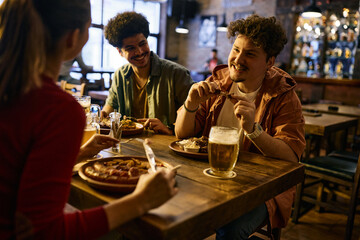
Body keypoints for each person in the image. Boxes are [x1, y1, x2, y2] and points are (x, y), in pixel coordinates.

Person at [0, 1, 178, 239]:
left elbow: (15, 166)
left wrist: (79, 153)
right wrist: (141, 202)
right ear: (74, 38)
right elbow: (42, 232)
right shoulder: (58, 109)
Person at [175, 14, 305, 239]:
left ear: (270, 62)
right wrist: (191, 104)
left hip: (262, 189)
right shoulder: (219, 81)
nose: (238, 59)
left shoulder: (283, 95)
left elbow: (291, 156)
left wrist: (254, 130)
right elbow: (182, 134)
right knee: (172, 209)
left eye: (250, 53)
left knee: (230, 230)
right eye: (236, 49)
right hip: (212, 176)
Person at [101, 11, 194, 135]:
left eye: (142, 44)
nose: (139, 52)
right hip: (130, 147)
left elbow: (197, 120)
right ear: (120, 52)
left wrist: (170, 130)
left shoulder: (177, 74)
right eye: (130, 48)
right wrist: (104, 115)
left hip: (165, 148)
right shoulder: (120, 76)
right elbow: (110, 108)